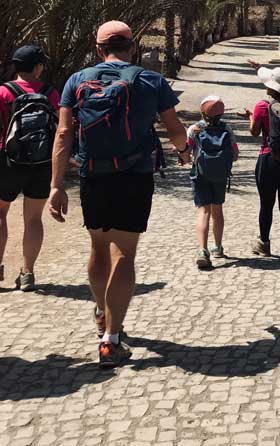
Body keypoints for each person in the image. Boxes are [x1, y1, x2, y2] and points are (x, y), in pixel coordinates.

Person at [48, 21, 191, 369]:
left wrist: (55, 185)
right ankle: (112, 340)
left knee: (98, 247)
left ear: (98, 49)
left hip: (93, 174)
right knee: (124, 254)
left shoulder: (77, 81)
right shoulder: (150, 80)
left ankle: (101, 311)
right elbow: (174, 129)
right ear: (133, 46)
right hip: (134, 175)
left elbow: (65, 133)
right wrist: (185, 151)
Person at [0, 45, 60, 290]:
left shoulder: (3, 92)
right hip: (42, 163)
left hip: (7, 161)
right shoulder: (51, 93)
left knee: (0, 214)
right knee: (34, 218)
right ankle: (27, 273)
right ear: (37, 67)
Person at [238, 65, 280, 268]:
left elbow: (254, 132)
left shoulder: (262, 106)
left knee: (266, 204)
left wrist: (251, 117)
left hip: (269, 160)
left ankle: (264, 243)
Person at [187, 95, 238, 269]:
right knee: (217, 210)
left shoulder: (194, 130)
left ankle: (203, 250)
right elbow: (235, 154)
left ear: (202, 112)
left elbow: (187, 153)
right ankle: (217, 247)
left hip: (200, 174)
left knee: (203, 211)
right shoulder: (227, 129)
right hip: (220, 175)